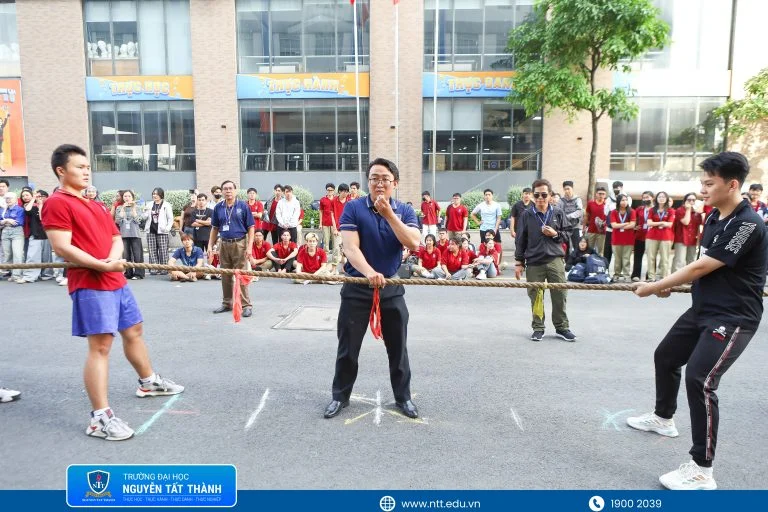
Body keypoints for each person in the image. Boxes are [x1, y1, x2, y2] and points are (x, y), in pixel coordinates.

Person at [629, 152, 767, 490]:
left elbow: (705, 266)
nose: (702, 189)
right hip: (703, 309)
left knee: (700, 379)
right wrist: (668, 285)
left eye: (709, 183)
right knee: (666, 356)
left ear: (731, 185)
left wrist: (655, 286)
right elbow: (704, 266)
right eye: (702, 183)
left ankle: (702, 470)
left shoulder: (748, 224)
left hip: (733, 316)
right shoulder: (715, 217)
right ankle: (663, 418)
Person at [42, 144, 184, 441]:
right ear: (61, 170)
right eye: (79, 167)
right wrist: (101, 265)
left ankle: (148, 382)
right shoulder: (57, 203)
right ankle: (100, 418)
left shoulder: (95, 204)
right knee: (101, 346)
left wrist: (111, 261)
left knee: (134, 330)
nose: (86, 172)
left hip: (114, 279)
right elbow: (61, 246)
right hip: (90, 282)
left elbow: (115, 237)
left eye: (87, 167)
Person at [324, 158, 421, 420]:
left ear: (394, 183)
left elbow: (414, 242)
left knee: (398, 348)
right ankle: (340, 397)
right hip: (357, 286)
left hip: (391, 286)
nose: (379, 183)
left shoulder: (405, 211)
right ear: (368, 182)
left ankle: (403, 397)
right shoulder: (353, 207)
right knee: (348, 347)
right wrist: (369, 272)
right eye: (374, 178)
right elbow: (350, 247)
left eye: (384, 179)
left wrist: (389, 214)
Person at [514, 179, 576, 342]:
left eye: (543, 194)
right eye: (537, 195)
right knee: (536, 296)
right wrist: (519, 262)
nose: (540, 198)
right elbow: (520, 240)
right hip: (534, 261)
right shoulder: (526, 215)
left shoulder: (558, 213)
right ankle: (538, 328)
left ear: (550, 195)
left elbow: (568, 233)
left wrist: (555, 234)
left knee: (560, 294)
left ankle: (562, 327)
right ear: (532, 196)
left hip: (555, 259)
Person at [208, 180, 255, 317]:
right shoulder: (218, 207)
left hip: (240, 243)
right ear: (222, 191)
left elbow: (251, 227)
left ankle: (246, 305)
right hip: (223, 243)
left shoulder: (243, 206)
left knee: (241, 274)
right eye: (225, 189)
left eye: (230, 188)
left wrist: (249, 247)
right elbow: (214, 228)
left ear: (235, 190)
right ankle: (227, 303)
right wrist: (210, 245)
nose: (228, 191)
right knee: (225, 274)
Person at [20, 190, 54, 283]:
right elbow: (27, 210)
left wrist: (42, 204)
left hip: (47, 234)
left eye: (42, 196)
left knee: (46, 257)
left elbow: (42, 218)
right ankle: (30, 276)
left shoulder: (49, 206)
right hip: (35, 234)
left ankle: (47, 274)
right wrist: (34, 199)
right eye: (38, 196)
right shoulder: (32, 206)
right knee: (32, 256)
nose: (40, 198)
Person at [645, 191, 675, 281]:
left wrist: (655, 223)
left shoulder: (670, 210)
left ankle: (664, 277)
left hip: (665, 237)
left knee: (665, 258)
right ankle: (651, 277)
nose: (661, 198)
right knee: (650, 257)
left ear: (666, 199)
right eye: (659, 197)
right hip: (651, 236)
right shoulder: (652, 210)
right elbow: (649, 223)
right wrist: (662, 222)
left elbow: (669, 224)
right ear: (656, 199)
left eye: (663, 197)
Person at [115, 190, 145, 280]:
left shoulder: (137, 207)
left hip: (135, 233)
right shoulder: (119, 208)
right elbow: (118, 221)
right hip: (124, 234)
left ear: (132, 197)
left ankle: (138, 274)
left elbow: (138, 220)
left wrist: (134, 208)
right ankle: (128, 273)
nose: (127, 198)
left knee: (137, 255)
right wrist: (123, 208)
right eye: (125, 196)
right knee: (126, 255)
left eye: (129, 196)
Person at [143, 187, 174, 275]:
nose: (154, 195)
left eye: (156, 194)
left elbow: (170, 218)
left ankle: (164, 268)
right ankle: (154, 268)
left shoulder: (166, 205)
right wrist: (144, 211)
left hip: (162, 231)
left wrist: (167, 228)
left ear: (161, 195)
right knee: (152, 250)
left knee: (163, 250)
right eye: (153, 194)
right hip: (151, 230)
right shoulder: (149, 204)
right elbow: (144, 217)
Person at [609, 194, 636, 282]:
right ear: (618, 201)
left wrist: (619, 225)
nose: (624, 202)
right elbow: (613, 225)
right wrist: (626, 223)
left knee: (626, 258)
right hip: (616, 239)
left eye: (626, 200)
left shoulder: (632, 211)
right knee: (617, 258)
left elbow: (632, 225)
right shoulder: (614, 212)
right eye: (622, 200)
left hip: (628, 239)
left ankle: (626, 275)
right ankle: (616, 274)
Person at [672, 193, 702, 272]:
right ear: (685, 201)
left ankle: (689, 277)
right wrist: (688, 210)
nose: (691, 202)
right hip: (681, 238)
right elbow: (686, 222)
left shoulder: (697, 212)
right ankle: (676, 277)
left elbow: (699, 226)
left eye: (693, 200)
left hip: (693, 239)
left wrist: (698, 240)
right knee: (680, 260)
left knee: (691, 260)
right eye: (689, 200)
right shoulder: (680, 210)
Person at [631, 191, 654, 282]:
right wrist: (634, 227)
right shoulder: (639, 209)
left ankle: (650, 275)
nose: (645, 199)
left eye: (647, 197)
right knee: (637, 256)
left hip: (652, 236)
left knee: (651, 257)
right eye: (644, 198)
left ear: (652, 198)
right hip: (640, 235)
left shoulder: (656, 209)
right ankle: (636, 275)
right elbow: (633, 218)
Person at [1, 192, 24, 282]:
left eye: (10, 198)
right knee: (7, 254)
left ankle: (16, 275)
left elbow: (18, 222)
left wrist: (4, 221)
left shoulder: (20, 209)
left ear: (15, 199)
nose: (8, 200)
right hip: (5, 231)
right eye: (7, 198)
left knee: (17, 253)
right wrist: (8, 220)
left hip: (16, 232)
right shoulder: (3, 210)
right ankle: (10, 273)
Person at [560, 181, 584, 252]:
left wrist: (568, 216)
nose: (567, 191)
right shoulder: (561, 200)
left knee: (577, 246)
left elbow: (580, 212)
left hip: (575, 226)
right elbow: (558, 211)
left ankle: (576, 259)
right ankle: (567, 259)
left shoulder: (577, 199)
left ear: (572, 189)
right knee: (566, 247)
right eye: (565, 189)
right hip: (565, 227)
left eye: (568, 189)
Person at [584, 187, 608, 256]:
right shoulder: (591, 203)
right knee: (589, 250)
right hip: (591, 230)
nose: (601, 195)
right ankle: (589, 262)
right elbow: (586, 216)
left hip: (602, 231)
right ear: (596, 194)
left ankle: (600, 262)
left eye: (603, 194)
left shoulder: (607, 205)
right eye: (599, 193)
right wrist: (584, 227)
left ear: (605, 195)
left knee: (601, 251)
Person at [319, 183, 337, 252]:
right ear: (326, 190)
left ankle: (335, 256)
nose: (330, 191)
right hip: (325, 222)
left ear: (334, 191)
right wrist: (320, 223)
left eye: (331, 190)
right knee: (325, 240)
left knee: (335, 240)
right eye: (328, 190)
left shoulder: (336, 199)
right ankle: (325, 255)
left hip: (334, 223)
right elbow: (321, 211)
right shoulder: (323, 199)